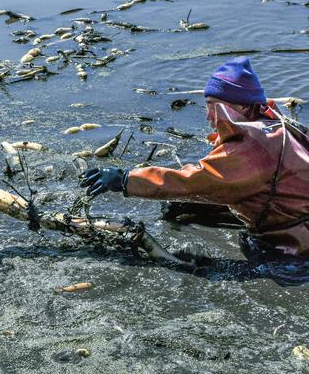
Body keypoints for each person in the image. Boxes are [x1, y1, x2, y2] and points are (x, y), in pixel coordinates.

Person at [81, 57, 309, 261]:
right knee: (183, 205)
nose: (209, 116)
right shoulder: (273, 125)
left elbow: (193, 181)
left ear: (240, 106)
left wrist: (125, 179)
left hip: (297, 239)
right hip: (287, 206)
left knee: (248, 262)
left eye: (214, 107)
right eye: (206, 105)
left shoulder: (252, 148)